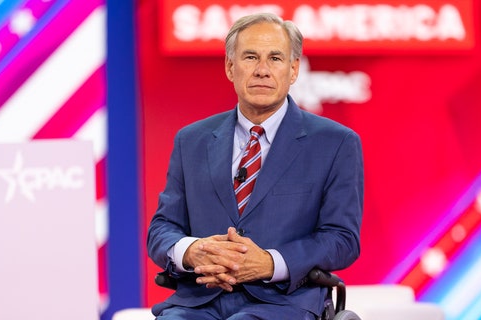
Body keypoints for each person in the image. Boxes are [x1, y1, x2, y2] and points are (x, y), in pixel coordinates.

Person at [147, 12, 364, 320]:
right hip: (198, 303)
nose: (262, 70)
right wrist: (191, 251)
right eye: (250, 57)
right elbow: (161, 229)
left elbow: (342, 239)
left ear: (293, 70)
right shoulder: (191, 140)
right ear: (230, 67)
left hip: (281, 304)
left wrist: (270, 263)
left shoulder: (336, 143)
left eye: (275, 58)